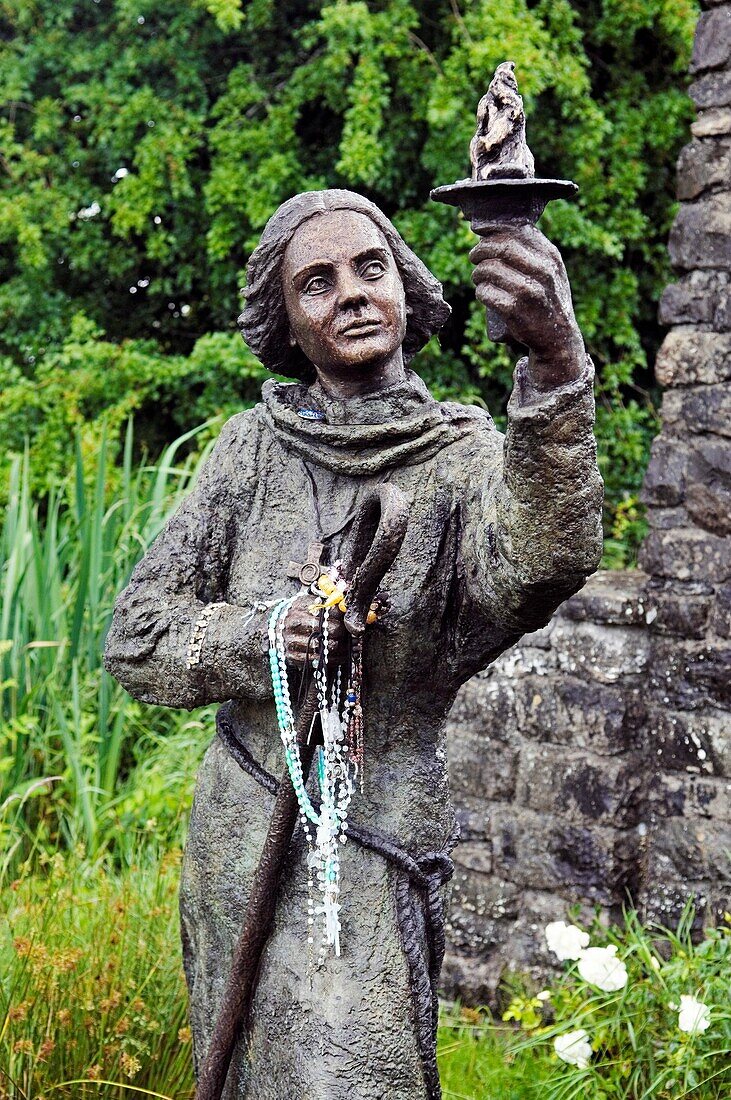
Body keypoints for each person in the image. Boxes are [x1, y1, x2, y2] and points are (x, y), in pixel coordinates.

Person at [104, 188, 603, 1100]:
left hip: (370, 838)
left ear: (407, 288)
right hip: (243, 831)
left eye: (370, 269)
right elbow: (135, 636)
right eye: (317, 282)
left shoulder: (457, 456)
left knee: (354, 1075)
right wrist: (262, 634)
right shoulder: (251, 451)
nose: (352, 295)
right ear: (288, 323)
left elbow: (540, 562)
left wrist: (554, 364)